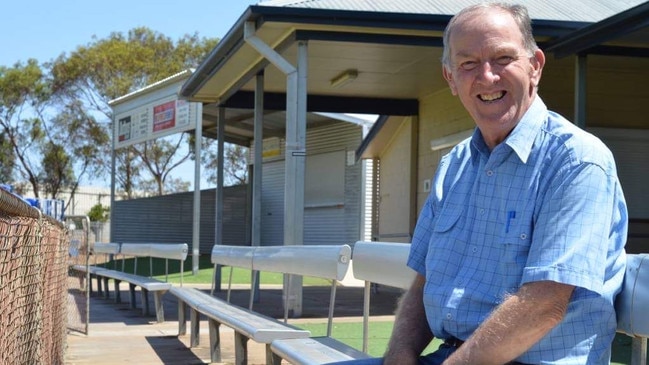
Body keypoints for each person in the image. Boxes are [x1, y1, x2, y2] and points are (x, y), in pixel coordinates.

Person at [334, 3, 628, 365]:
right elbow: (426, 282)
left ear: (535, 66)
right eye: (468, 63)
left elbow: (544, 305)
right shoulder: (455, 165)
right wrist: (399, 353)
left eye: (503, 58)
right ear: (451, 79)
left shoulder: (576, 161)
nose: (487, 77)